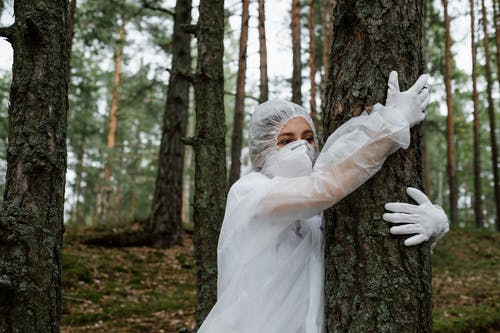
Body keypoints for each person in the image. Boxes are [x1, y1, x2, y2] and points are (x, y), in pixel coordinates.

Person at [197, 72, 449, 333]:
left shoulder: (316, 216)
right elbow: (324, 187)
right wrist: (391, 124)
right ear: (262, 151)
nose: (302, 147)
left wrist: (437, 224)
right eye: (286, 141)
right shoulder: (250, 191)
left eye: (308, 138)